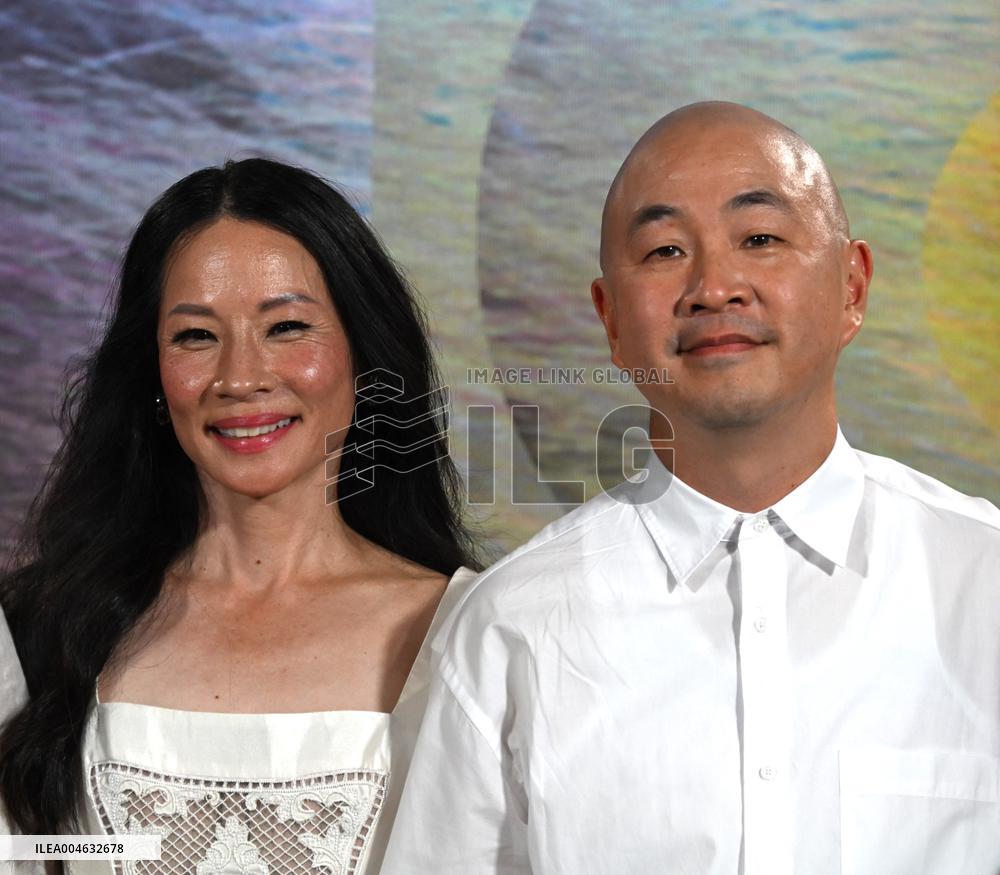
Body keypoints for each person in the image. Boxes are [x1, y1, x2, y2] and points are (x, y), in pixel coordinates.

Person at [382, 102, 1000, 873]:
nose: (714, 286)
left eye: (761, 239)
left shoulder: (985, 583)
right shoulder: (511, 629)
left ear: (852, 287)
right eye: (667, 249)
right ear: (610, 319)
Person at [0, 157, 482, 873]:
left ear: (364, 357)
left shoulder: (473, 632)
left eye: (286, 326)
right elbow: (40, 852)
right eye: (196, 336)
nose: (240, 377)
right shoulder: (39, 632)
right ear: (154, 378)